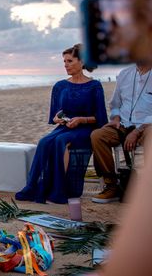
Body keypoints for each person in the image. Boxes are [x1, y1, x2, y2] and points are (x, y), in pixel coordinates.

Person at [16, 44, 108, 204]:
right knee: (44, 141)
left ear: (82, 62)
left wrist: (81, 119)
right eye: (64, 61)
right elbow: (55, 115)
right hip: (64, 127)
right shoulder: (60, 86)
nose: (65, 65)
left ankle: (59, 191)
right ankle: (34, 187)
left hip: (86, 129)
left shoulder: (95, 86)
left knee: (61, 141)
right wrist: (58, 119)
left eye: (70, 61)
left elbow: (100, 118)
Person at [89, 61, 152, 203]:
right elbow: (115, 103)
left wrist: (137, 131)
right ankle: (111, 186)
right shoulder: (125, 74)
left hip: (147, 126)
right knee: (97, 136)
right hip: (123, 124)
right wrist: (116, 117)